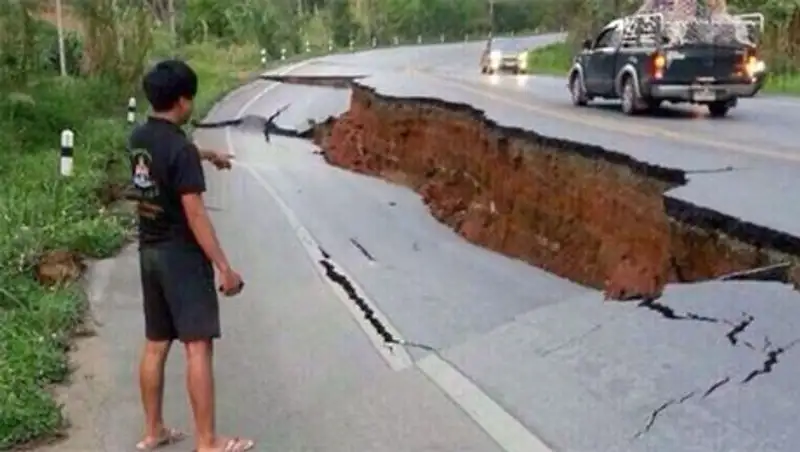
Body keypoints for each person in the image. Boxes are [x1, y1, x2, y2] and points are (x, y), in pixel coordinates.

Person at [127, 59, 254, 452]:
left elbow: (168, 155)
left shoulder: (139, 138)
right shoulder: (180, 149)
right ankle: (207, 441)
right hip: (181, 257)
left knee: (155, 343)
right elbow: (195, 213)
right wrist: (224, 267)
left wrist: (207, 154)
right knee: (197, 346)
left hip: (149, 252)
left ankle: (153, 431)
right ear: (183, 102)